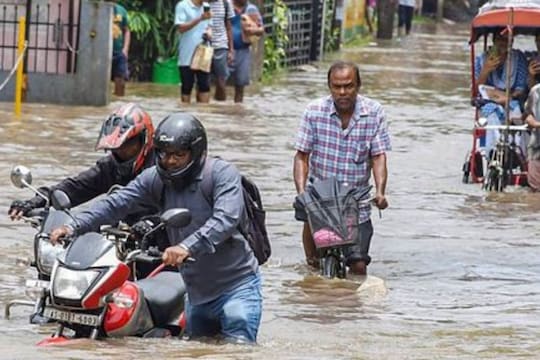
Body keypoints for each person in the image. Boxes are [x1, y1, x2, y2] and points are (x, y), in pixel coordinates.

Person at [49, 113, 262, 343]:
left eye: (178, 155)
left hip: (236, 288)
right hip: (197, 294)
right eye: (164, 154)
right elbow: (117, 203)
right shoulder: (156, 178)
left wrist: (186, 246)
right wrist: (74, 225)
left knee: (238, 351)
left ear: (197, 152)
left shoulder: (221, 174)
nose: (170, 161)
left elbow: (226, 219)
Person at [293, 61, 391, 276]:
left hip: (356, 202)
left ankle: (353, 309)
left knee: (358, 266)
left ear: (358, 86)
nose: (342, 92)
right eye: (336, 87)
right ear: (329, 87)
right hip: (321, 198)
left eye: (348, 86)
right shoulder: (314, 111)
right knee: (313, 268)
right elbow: (302, 156)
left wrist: (381, 192)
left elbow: (378, 156)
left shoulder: (374, 113)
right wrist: (301, 193)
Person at [474, 30, 528, 153]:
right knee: (487, 115)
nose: (503, 43)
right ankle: (488, 150)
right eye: (500, 39)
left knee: (516, 112)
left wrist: (506, 98)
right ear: (494, 41)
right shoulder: (481, 59)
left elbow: (521, 88)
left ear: (511, 41)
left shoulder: (519, 59)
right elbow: (477, 89)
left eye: (506, 39)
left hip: (512, 101)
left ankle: (517, 150)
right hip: (487, 102)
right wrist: (486, 70)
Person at [175, 0, 213, 103]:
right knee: (187, 86)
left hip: (203, 53)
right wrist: (200, 18)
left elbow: (209, 25)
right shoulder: (183, 5)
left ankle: (203, 114)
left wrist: (209, 32)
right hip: (187, 54)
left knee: (204, 85)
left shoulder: (206, 6)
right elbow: (181, 28)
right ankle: (185, 112)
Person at [229, 0, 264, 103]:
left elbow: (261, 29)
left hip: (243, 50)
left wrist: (254, 31)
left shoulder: (251, 9)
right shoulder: (226, 6)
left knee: (240, 84)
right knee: (220, 81)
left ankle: (238, 108)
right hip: (224, 49)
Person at [209, 0, 235, 101]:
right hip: (203, 45)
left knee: (221, 80)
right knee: (202, 81)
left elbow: (229, 27)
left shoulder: (226, 3)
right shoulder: (199, 2)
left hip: (221, 45)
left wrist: (231, 49)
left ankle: (221, 108)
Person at [111, 2, 130, 96]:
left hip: (119, 51)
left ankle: (119, 102)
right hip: (102, 52)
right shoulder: (98, 8)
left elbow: (127, 30)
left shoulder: (121, 10)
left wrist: (125, 49)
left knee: (120, 80)